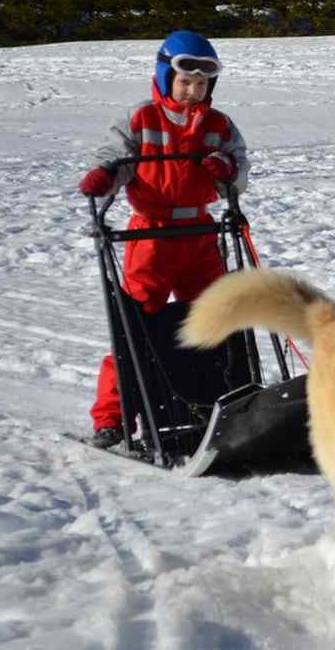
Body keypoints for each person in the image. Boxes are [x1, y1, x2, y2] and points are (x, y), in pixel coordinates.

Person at [78, 30, 249, 448]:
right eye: (185, 82)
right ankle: (113, 418)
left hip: (200, 234)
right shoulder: (140, 119)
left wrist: (225, 172)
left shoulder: (220, 125)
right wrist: (105, 176)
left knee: (215, 319)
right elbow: (113, 158)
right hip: (151, 235)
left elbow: (240, 171)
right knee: (134, 326)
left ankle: (222, 401)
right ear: (165, 78)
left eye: (202, 84)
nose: (193, 91)